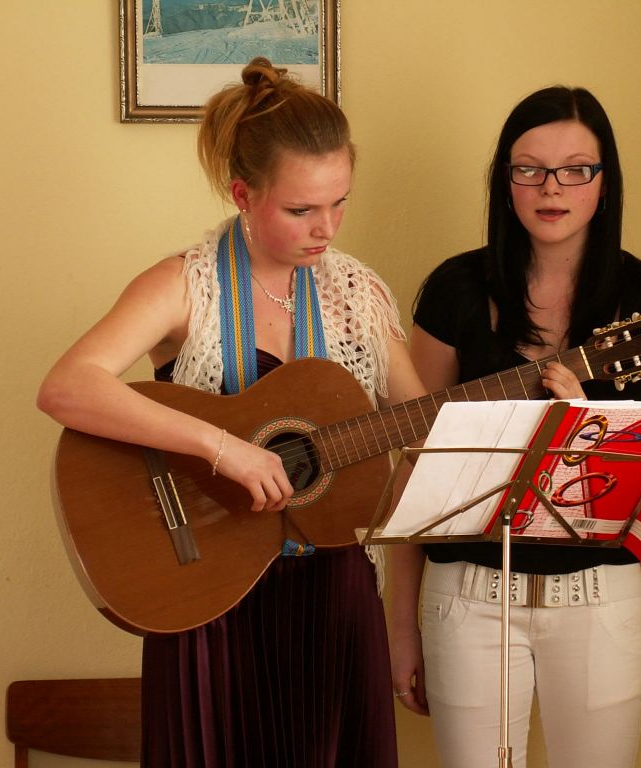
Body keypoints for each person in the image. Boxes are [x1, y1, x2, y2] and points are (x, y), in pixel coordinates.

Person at [38, 57, 426, 767]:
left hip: (334, 595)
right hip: (207, 593)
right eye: (301, 210)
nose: (327, 228)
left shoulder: (360, 294)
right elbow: (67, 386)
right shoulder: (183, 285)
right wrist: (225, 448)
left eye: (340, 202)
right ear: (243, 194)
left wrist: (533, 400)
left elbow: (423, 424)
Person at [387, 86, 641, 768]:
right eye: (530, 168)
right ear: (504, 180)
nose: (552, 187)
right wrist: (398, 626)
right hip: (467, 597)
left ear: (605, 182)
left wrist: (593, 430)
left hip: (600, 598)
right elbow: (413, 464)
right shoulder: (455, 290)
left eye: (576, 169)